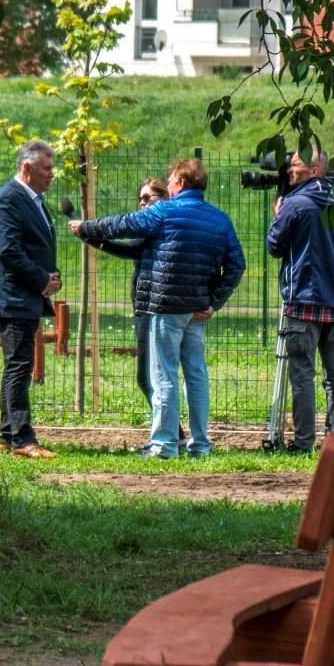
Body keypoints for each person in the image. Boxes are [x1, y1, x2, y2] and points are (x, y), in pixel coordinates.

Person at [71, 157, 245, 459]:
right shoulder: (221, 219)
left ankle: (163, 445)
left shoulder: (164, 211)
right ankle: (201, 444)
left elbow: (123, 224)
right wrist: (215, 301)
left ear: (180, 183)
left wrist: (86, 226)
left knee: (163, 374)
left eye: (172, 179)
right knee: (196, 375)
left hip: (165, 306)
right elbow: (236, 264)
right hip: (198, 310)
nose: (169, 184)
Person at [265, 147, 334, 452]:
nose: (289, 169)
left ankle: (303, 443)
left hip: (302, 301)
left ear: (314, 171)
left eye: (295, 165)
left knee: (302, 374)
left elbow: (274, 246)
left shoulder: (295, 205)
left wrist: (278, 216)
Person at [0, 139, 63, 458]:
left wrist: (50, 278)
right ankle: (22, 440)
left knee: (17, 365)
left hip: (23, 295)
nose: (52, 174)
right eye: (47, 168)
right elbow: (8, 251)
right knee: (19, 367)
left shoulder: (34, 199)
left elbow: (35, 245)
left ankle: (6, 435)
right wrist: (42, 279)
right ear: (27, 169)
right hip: (10, 298)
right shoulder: (6, 201)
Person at [79, 176, 169, 409]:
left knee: (148, 379)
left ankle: (171, 433)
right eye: (140, 198)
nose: (142, 203)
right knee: (154, 378)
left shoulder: (158, 224)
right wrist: (94, 240)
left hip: (152, 307)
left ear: (165, 196)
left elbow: (131, 247)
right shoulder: (155, 225)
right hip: (145, 305)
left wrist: (91, 233)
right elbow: (133, 250)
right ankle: (172, 432)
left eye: (148, 197)